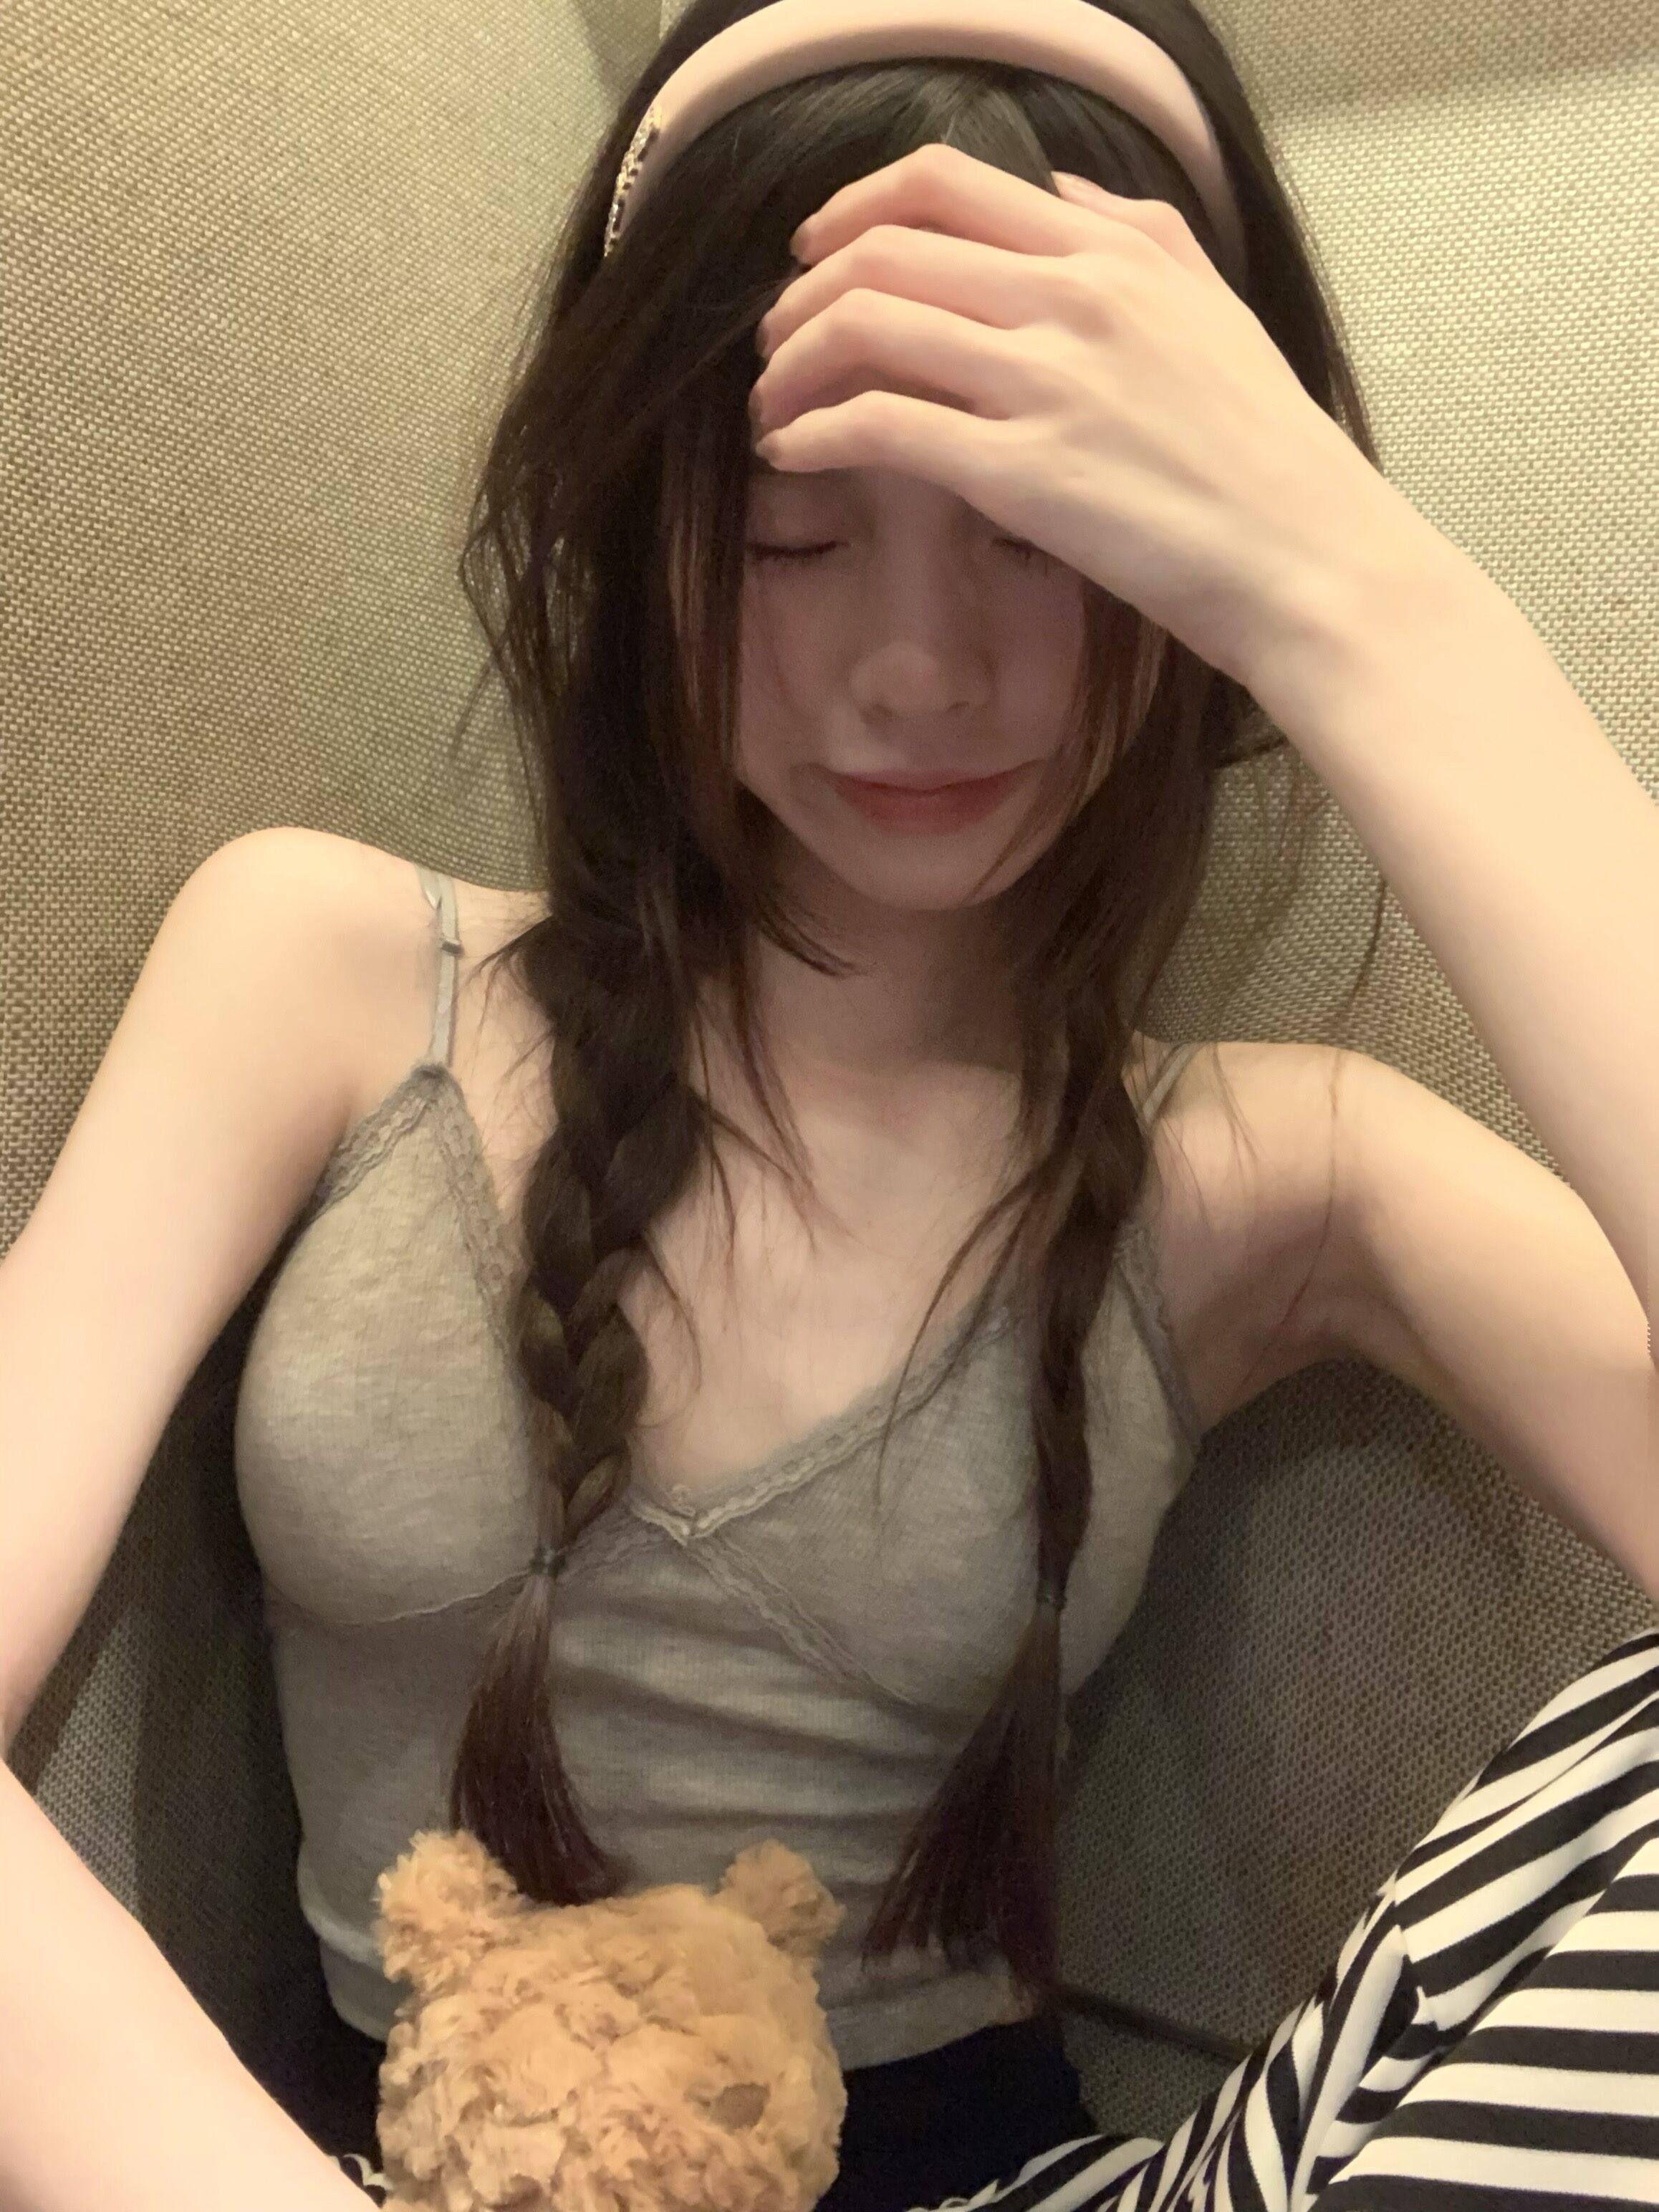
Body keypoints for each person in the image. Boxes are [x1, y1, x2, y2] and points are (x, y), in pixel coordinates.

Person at [1, 2, 1653, 2209]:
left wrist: (1372, 611)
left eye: (1043, 526)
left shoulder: (1276, 1170)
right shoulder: (325, 971)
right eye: (791, 533)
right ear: (634, 525)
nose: (916, 667)